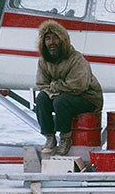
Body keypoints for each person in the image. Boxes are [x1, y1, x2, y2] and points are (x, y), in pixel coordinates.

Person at [35, 20, 103, 156]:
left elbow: (78, 86)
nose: (52, 42)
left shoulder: (76, 58)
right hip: (61, 96)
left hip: (88, 98)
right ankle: (50, 137)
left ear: (63, 40)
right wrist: (53, 94)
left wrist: (55, 88)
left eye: (55, 38)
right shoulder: (43, 61)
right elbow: (42, 84)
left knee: (61, 101)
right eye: (48, 38)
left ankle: (65, 138)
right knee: (41, 98)